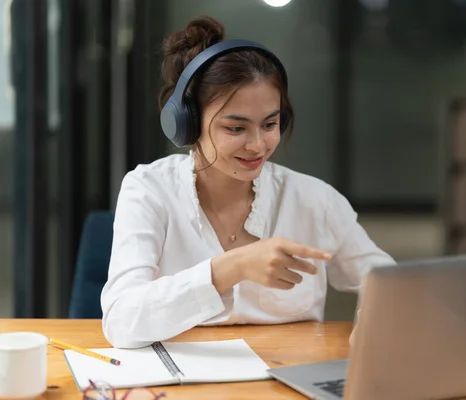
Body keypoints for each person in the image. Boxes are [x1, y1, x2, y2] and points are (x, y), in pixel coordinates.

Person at [100, 15, 394, 349]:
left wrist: (373, 318)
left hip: (287, 380)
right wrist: (232, 267)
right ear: (188, 124)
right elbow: (121, 321)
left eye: (269, 124)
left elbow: (383, 276)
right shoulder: (149, 190)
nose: (257, 145)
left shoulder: (314, 199)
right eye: (236, 128)